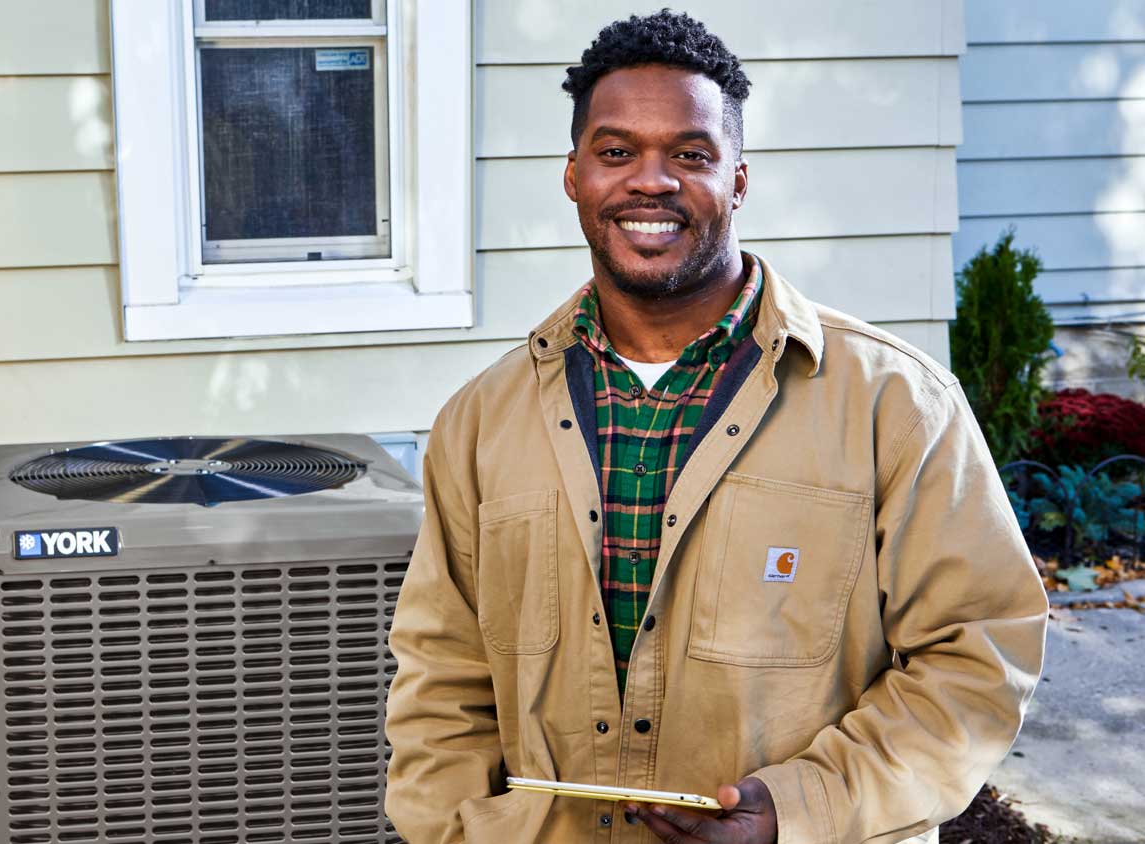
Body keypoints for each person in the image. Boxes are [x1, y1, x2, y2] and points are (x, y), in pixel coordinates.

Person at [383, 10, 1048, 844]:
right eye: (616, 151)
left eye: (690, 154)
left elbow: (978, 654)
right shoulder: (482, 420)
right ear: (573, 175)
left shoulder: (895, 404)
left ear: (738, 178)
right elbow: (443, 674)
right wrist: (451, 828)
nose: (650, 181)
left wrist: (801, 811)